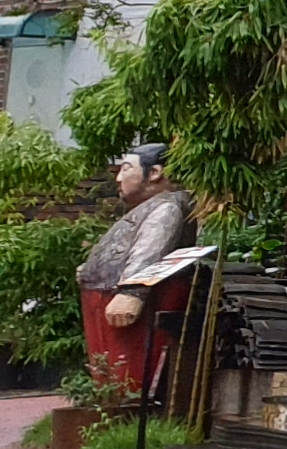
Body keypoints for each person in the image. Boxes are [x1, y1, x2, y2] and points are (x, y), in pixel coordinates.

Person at [76, 143, 206, 397]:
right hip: (103, 298)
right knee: (110, 369)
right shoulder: (153, 206)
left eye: (126, 169)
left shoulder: (166, 208)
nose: (118, 178)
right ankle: (116, 403)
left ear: (155, 172)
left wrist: (132, 291)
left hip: (131, 304)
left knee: (127, 371)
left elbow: (150, 249)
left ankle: (128, 405)